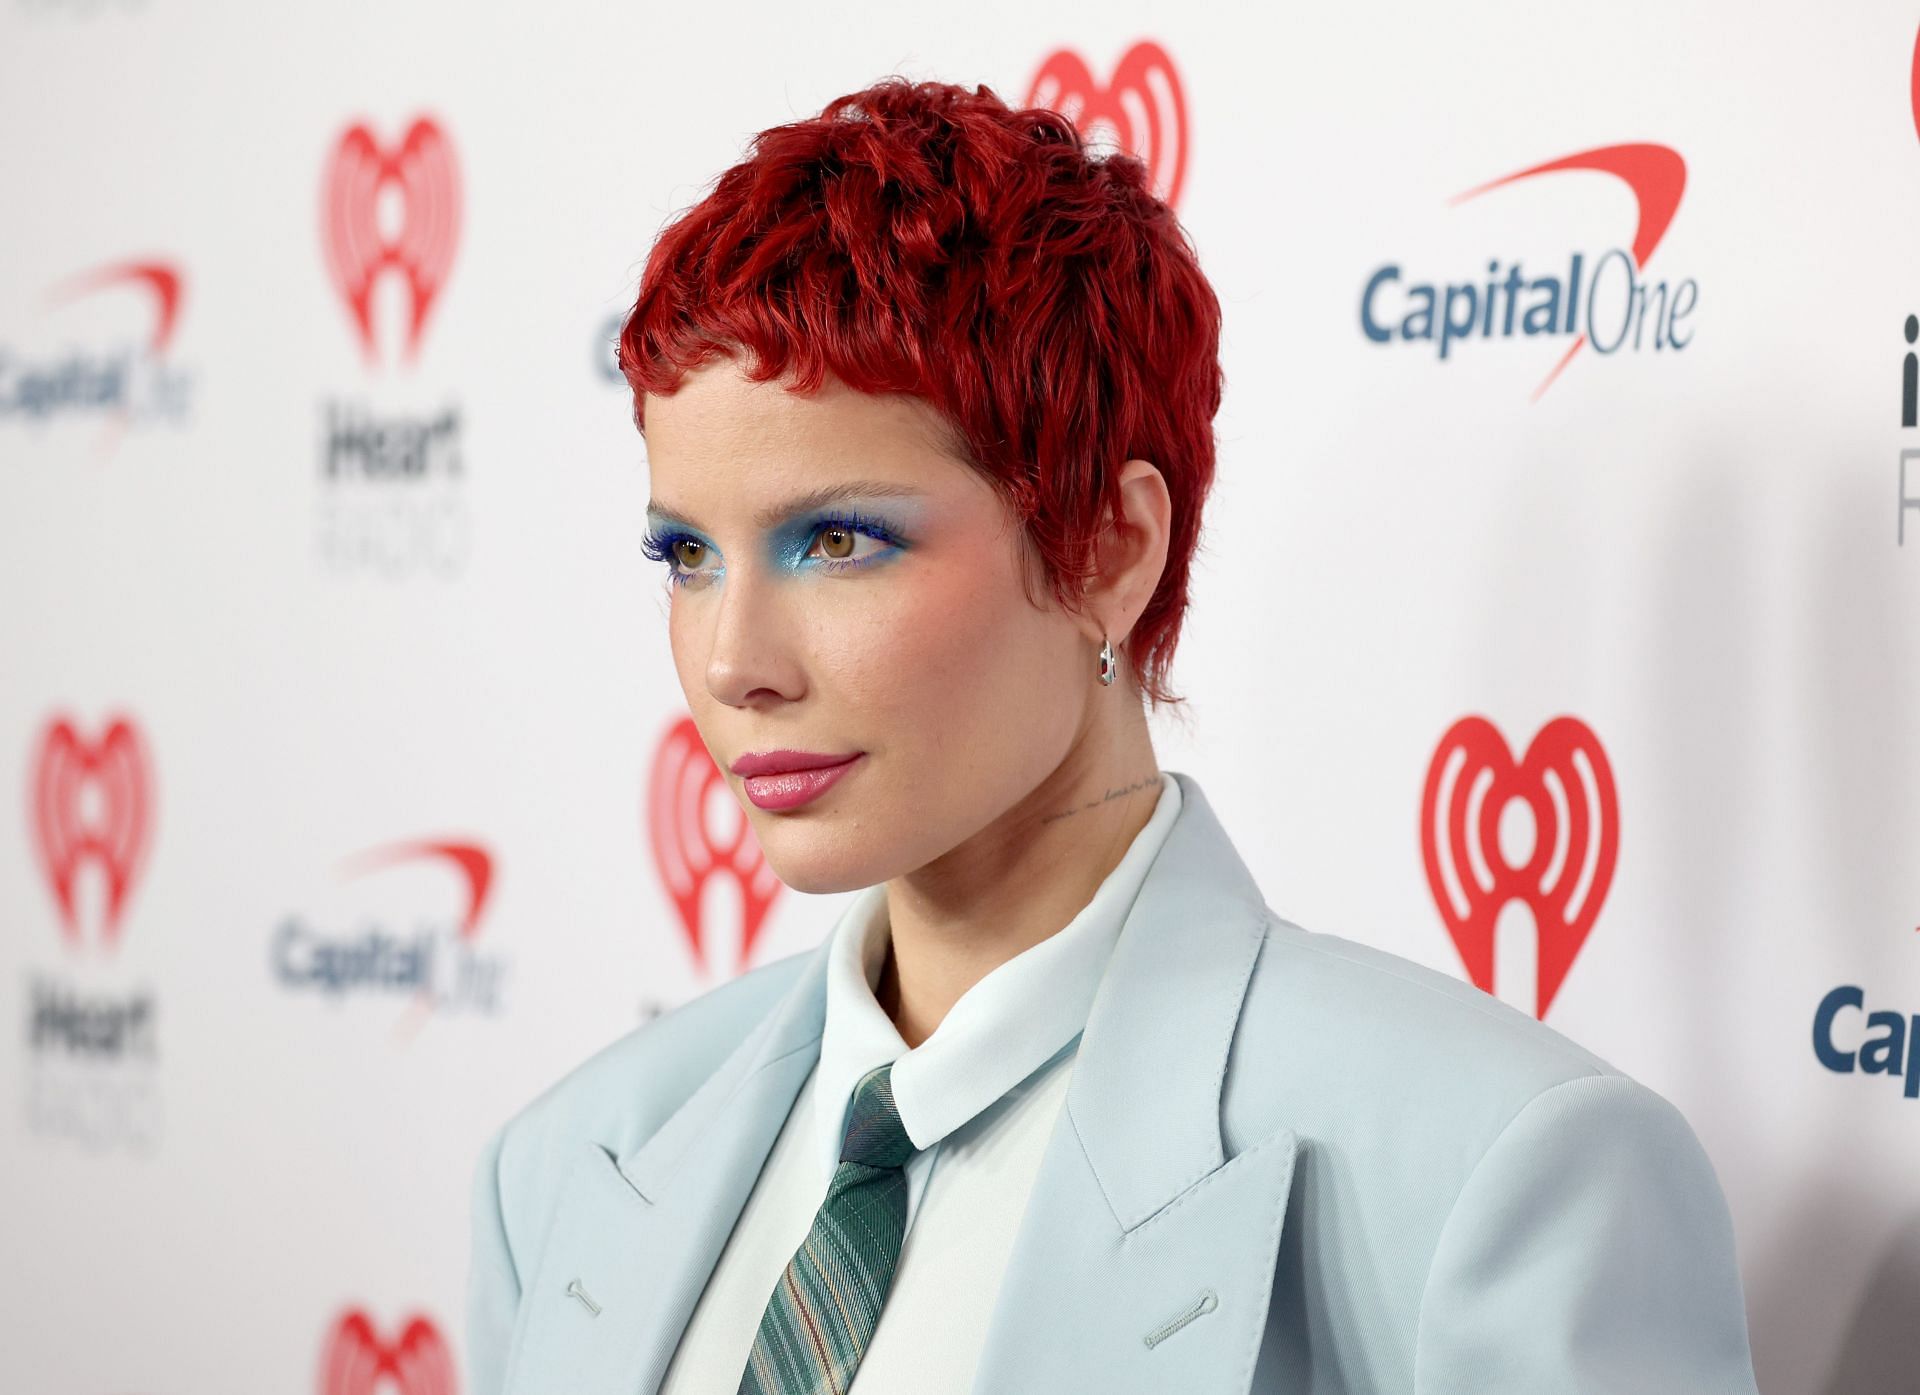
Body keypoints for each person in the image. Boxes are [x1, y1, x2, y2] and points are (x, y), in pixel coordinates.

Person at [465, 77, 1760, 1394]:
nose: (734, 662)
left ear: (1109, 548)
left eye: (839, 541)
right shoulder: (571, 1163)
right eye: (686, 555)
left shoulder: (1499, 1178)